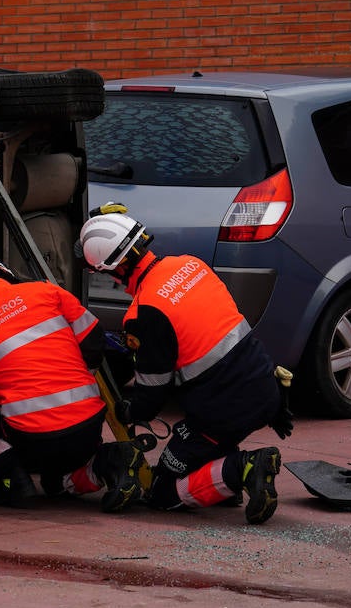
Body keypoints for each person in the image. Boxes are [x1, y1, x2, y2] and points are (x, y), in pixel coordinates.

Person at [76, 204, 289, 524]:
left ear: (114, 269)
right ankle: (224, 481)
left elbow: (151, 397)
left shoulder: (144, 312)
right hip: (264, 386)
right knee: (200, 446)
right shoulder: (191, 264)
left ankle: (241, 470)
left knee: (163, 491)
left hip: (223, 411)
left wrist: (127, 411)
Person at [0, 257, 145, 512]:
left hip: (30, 442)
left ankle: (12, 478)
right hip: (87, 426)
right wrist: (82, 375)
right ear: (7, 276)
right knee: (55, 484)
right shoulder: (45, 290)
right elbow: (94, 337)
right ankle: (112, 460)